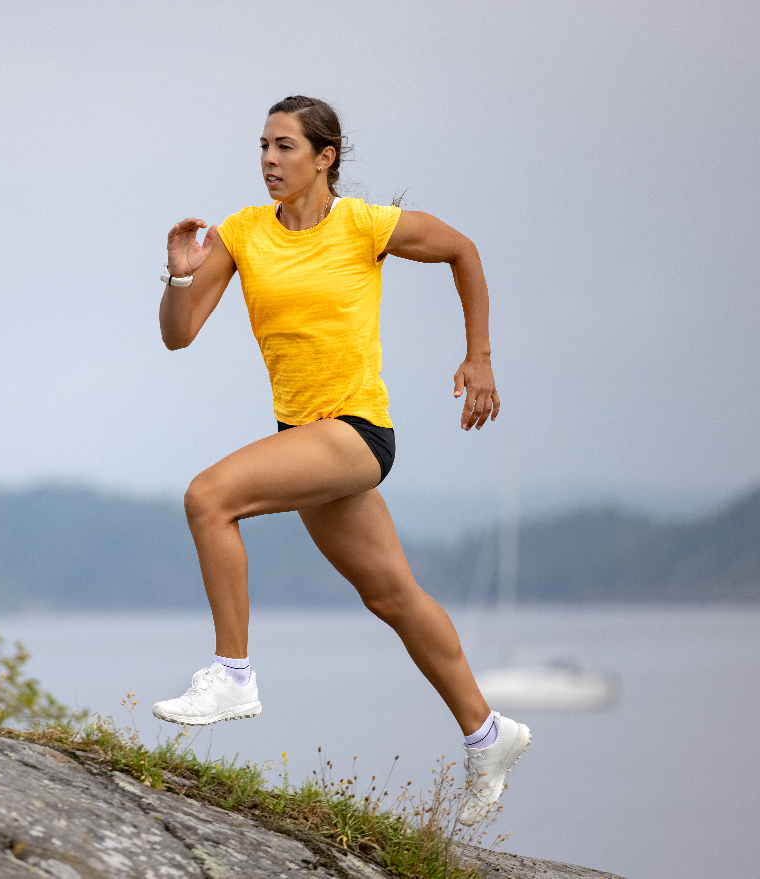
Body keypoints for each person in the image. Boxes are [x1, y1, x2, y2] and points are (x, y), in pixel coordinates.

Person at [151, 95, 529, 826]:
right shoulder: (241, 234)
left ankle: (233, 674)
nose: (268, 160)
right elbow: (179, 334)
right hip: (306, 439)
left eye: (285, 147)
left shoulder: (363, 225)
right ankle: (489, 732)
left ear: (324, 158)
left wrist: (478, 355)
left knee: (209, 497)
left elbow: (463, 250)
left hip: (355, 432)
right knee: (392, 596)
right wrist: (177, 275)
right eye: (262, 145)